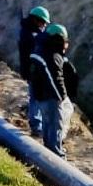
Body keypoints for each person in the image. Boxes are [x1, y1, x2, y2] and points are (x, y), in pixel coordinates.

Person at [29, 23, 77, 157]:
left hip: (43, 96)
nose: (66, 45)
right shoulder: (51, 55)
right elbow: (55, 78)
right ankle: (56, 155)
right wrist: (61, 96)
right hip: (50, 97)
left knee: (47, 124)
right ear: (59, 39)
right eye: (65, 41)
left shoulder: (42, 49)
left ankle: (48, 152)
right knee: (55, 125)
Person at [19, 6, 50, 137]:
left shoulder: (27, 31)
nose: (44, 25)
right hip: (34, 71)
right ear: (36, 20)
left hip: (31, 70)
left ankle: (38, 124)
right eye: (42, 22)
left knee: (36, 97)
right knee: (36, 98)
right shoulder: (31, 35)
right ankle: (37, 126)